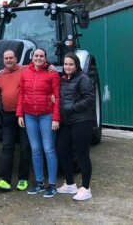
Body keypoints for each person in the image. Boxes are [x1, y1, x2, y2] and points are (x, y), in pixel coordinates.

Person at [16, 48, 60, 198]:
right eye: (36, 56)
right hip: (29, 115)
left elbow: (57, 96)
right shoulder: (25, 73)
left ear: (46, 58)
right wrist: (20, 114)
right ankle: (40, 182)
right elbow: (22, 94)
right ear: (32, 57)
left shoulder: (52, 73)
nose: (39, 58)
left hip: (46, 115)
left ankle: (52, 184)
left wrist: (55, 118)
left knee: (48, 149)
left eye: (41, 56)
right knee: (35, 149)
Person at [0, 50, 32, 192]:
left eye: (11, 58)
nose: (8, 60)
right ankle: (5, 180)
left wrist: (49, 66)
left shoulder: (25, 69)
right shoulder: (0, 75)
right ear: (3, 60)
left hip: (24, 115)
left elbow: (40, 65)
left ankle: (23, 179)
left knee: (25, 147)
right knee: (7, 147)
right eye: (6, 58)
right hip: (7, 116)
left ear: (16, 59)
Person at [56, 53, 95, 201]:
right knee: (62, 150)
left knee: (82, 154)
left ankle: (86, 188)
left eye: (71, 64)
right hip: (67, 121)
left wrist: (71, 107)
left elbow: (89, 99)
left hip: (82, 121)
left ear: (76, 65)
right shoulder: (63, 80)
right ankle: (70, 183)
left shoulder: (83, 79)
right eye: (65, 64)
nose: (67, 67)